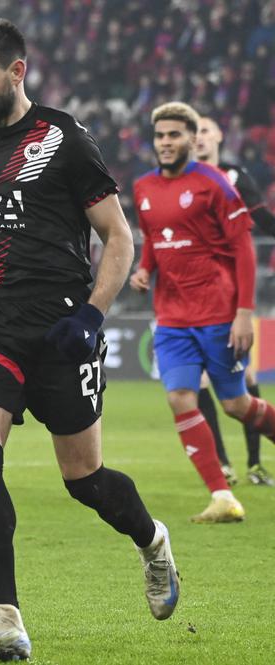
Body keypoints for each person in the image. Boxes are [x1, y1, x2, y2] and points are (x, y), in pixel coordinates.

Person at [0, 20, 178, 662]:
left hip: (61, 330)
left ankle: (152, 543)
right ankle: (5, 617)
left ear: (17, 71)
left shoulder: (62, 139)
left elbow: (119, 238)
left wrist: (93, 315)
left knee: (84, 480)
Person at [131, 102, 275, 523]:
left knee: (236, 404)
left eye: (174, 135)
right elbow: (156, 238)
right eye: (160, 136)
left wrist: (244, 312)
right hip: (172, 317)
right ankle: (222, 496)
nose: (166, 142)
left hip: (218, 311)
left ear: (192, 139)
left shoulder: (215, 183)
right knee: (179, 397)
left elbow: (244, 249)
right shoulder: (143, 188)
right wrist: (145, 268)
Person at [193, 116, 275, 486]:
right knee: (203, 382)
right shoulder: (179, 178)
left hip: (232, 289)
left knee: (247, 376)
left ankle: (255, 464)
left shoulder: (235, 176)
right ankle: (223, 463)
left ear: (220, 136)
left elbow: (263, 221)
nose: (199, 137)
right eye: (194, 132)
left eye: (206, 130)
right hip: (193, 291)